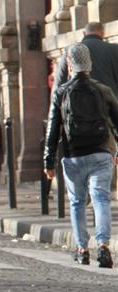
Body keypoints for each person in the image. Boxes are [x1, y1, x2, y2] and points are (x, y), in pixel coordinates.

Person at [44, 43, 116, 268]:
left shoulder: (61, 92)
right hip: (101, 151)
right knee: (101, 199)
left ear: (69, 64)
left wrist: (48, 160)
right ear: (90, 64)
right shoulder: (103, 91)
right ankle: (103, 246)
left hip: (73, 154)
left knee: (76, 202)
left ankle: (82, 248)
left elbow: (53, 128)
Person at [52, 22, 118, 97]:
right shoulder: (115, 50)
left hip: (79, 102)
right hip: (109, 101)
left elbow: (59, 82)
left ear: (84, 33)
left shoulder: (71, 50)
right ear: (102, 33)